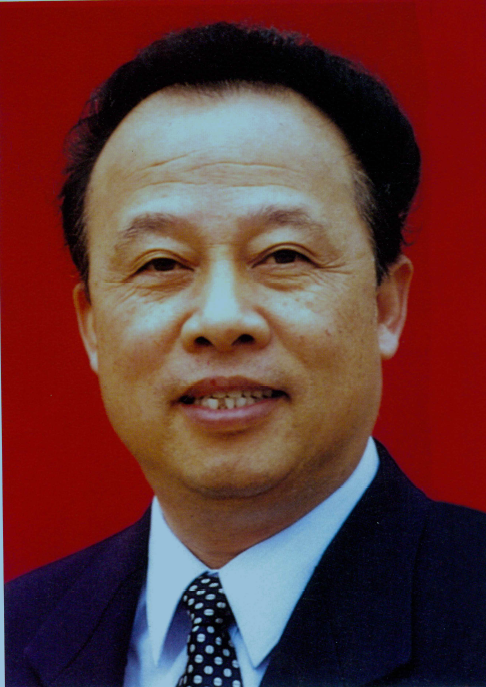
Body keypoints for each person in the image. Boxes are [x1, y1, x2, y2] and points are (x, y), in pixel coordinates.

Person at [5, 21, 486, 687]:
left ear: (384, 305)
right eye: (161, 263)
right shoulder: (15, 631)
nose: (222, 320)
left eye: (283, 255)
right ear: (92, 326)